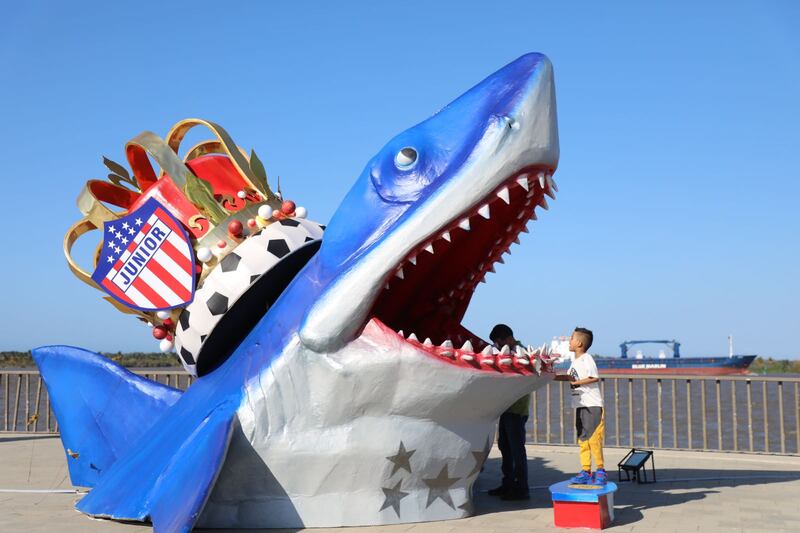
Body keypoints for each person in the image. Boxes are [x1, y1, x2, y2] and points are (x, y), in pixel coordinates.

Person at [556, 327, 606, 485]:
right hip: (580, 405)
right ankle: (586, 471)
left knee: (594, 439)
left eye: (571, 338)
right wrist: (550, 377)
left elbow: (593, 377)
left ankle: (600, 471)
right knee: (583, 438)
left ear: (579, 343)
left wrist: (576, 382)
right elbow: (570, 377)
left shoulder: (587, 359)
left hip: (592, 405)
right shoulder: (574, 363)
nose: (569, 341)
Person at [487, 324, 530, 500]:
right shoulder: (506, 353)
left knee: (517, 450)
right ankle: (508, 483)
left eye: (498, 342)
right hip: (506, 408)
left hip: (517, 409)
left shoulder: (522, 353)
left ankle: (521, 488)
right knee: (505, 446)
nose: (497, 346)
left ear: (508, 339)